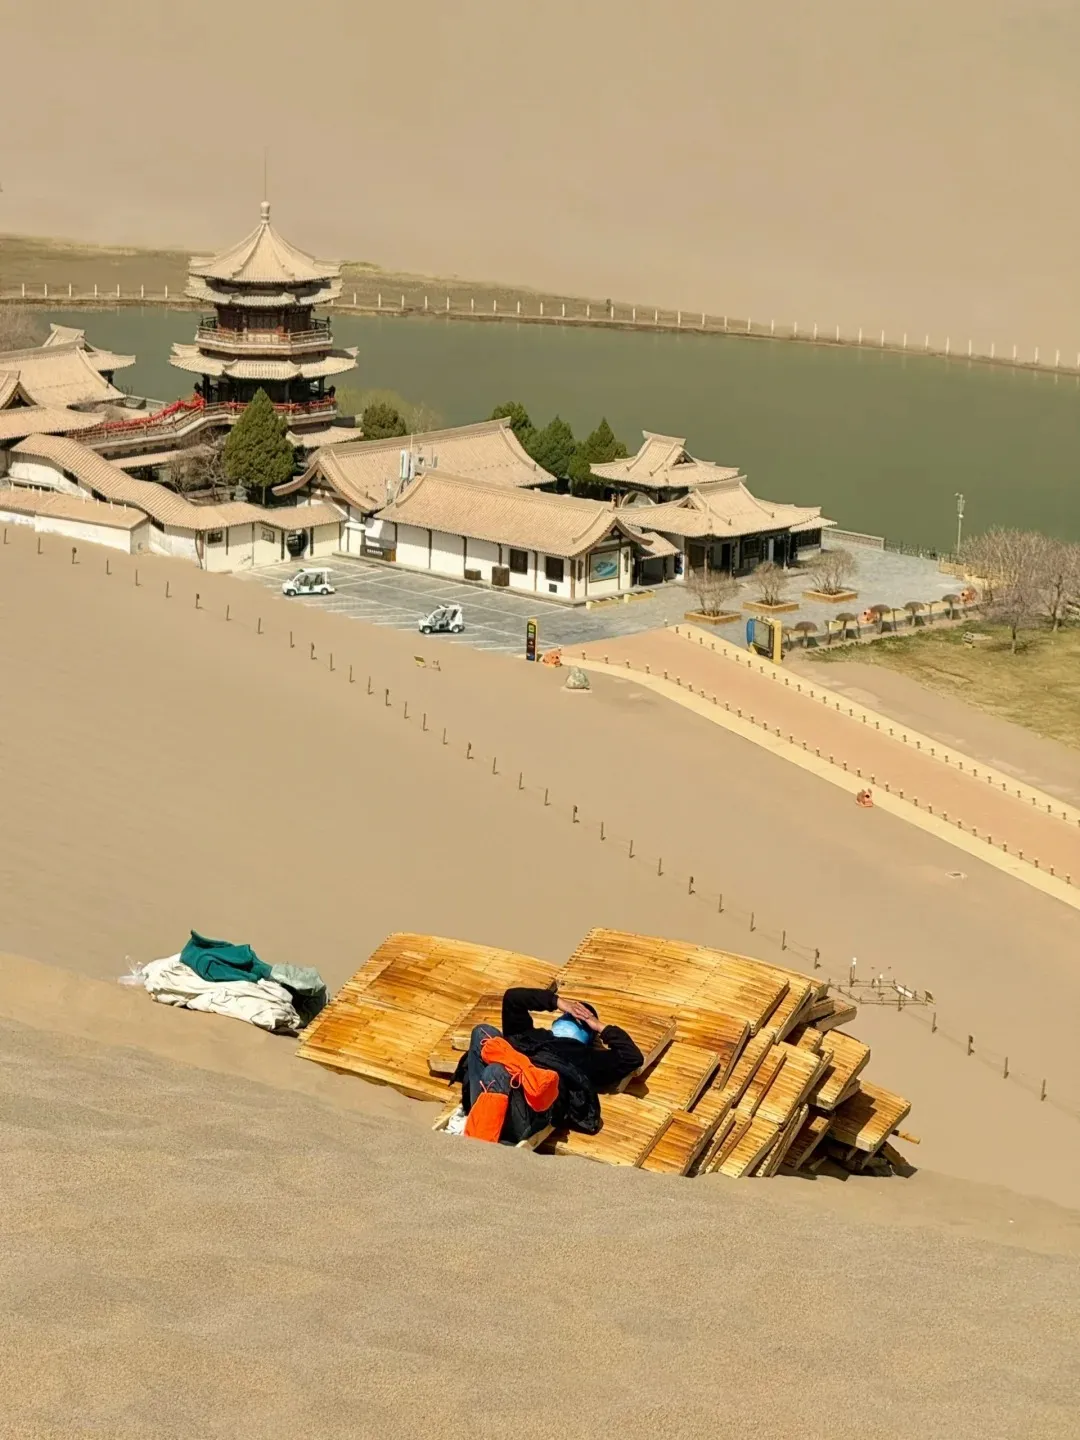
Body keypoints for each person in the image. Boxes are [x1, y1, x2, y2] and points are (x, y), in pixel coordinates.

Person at [452, 984, 644, 1145]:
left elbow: (631, 1057)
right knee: (482, 1032)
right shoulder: (528, 1035)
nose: (572, 1019)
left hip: (525, 1115)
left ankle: (478, 1147)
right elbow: (513, 998)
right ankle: (516, 1073)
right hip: (491, 1093)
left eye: (581, 1020)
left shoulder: (584, 1058)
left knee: (497, 1070)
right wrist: (559, 1003)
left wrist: (597, 1025)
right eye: (570, 1015)